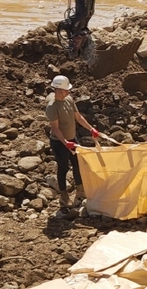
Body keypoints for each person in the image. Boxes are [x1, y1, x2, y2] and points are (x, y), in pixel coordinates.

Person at [45, 75, 99, 213]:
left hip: (71, 139)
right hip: (59, 142)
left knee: (77, 164)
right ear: (57, 90)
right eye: (64, 90)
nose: (67, 92)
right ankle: (64, 197)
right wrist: (65, 143)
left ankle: (80, 191)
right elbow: (55, 128)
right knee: (63, 168)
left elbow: (78, 117)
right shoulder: (52, 107)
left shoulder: (68, 99)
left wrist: (91, 129)